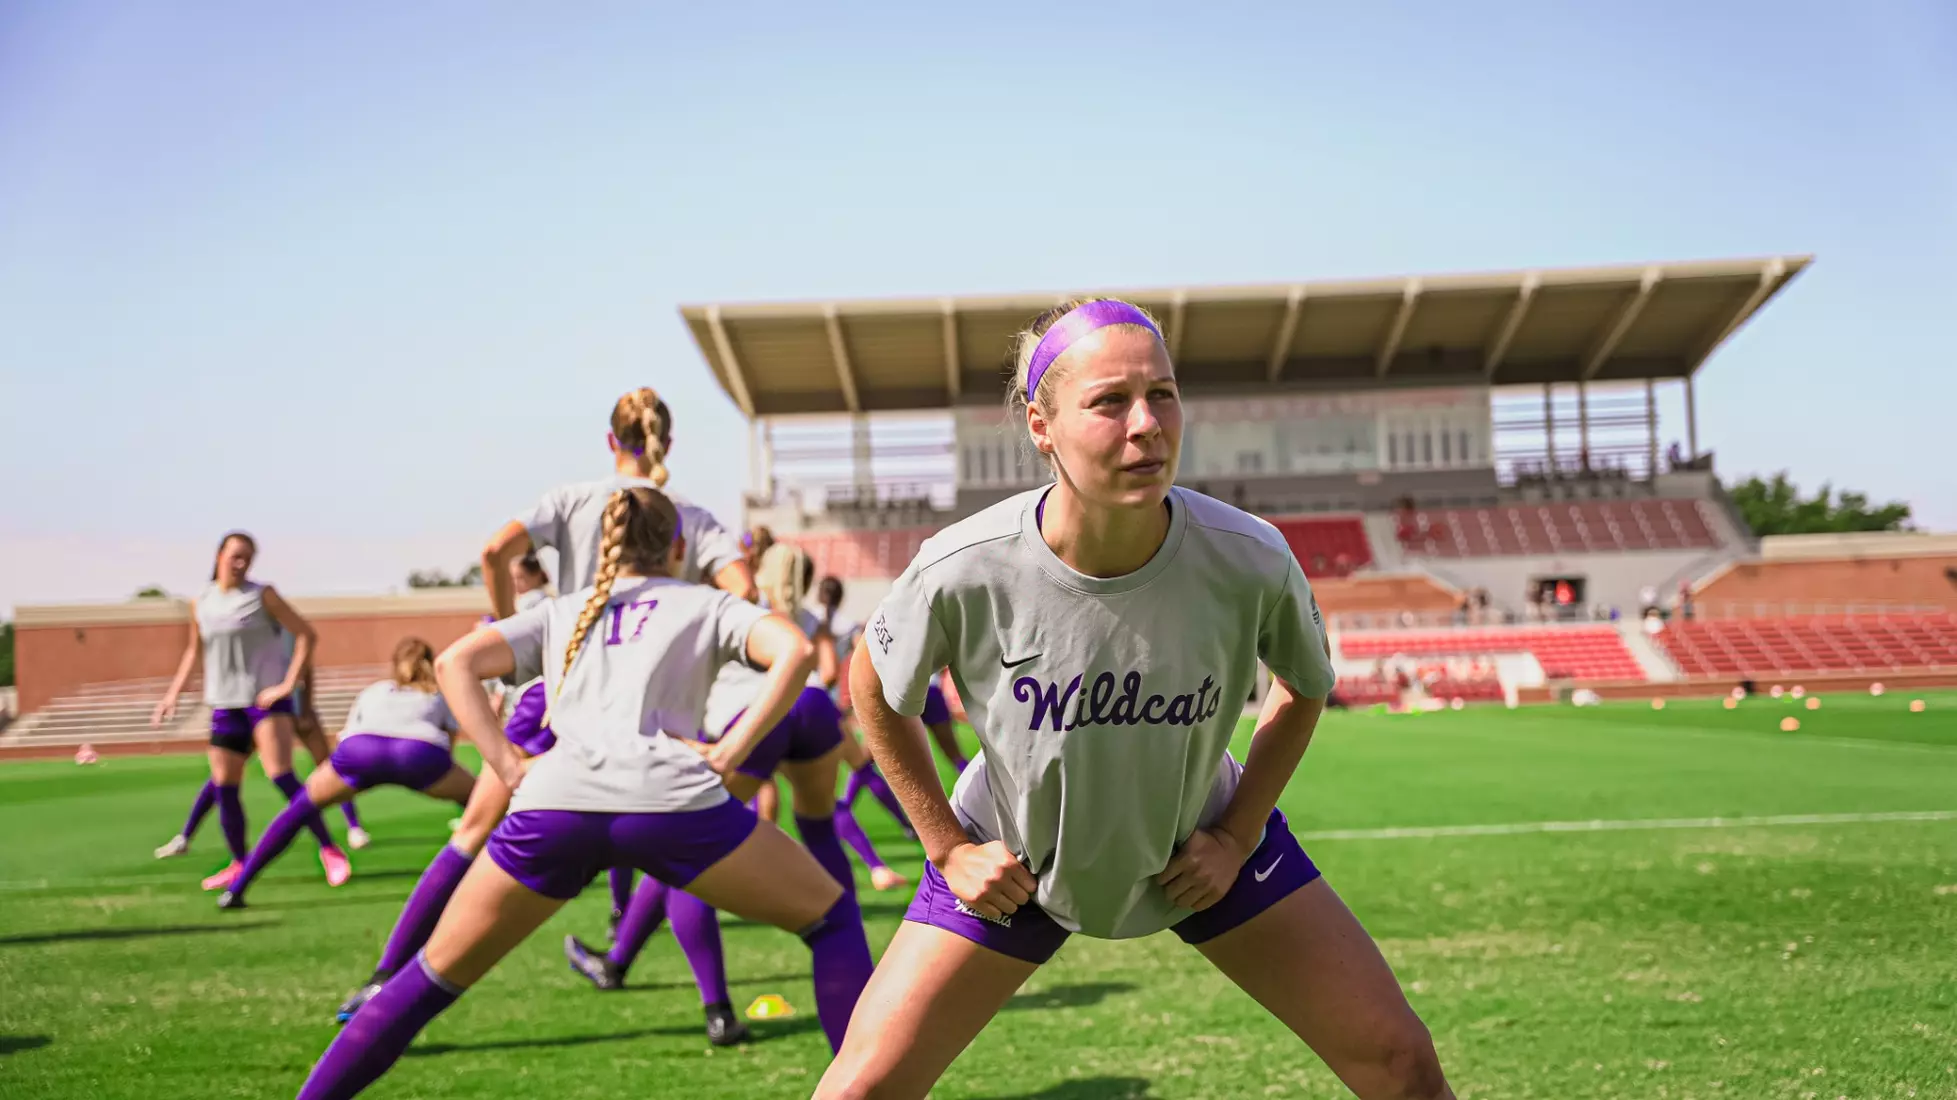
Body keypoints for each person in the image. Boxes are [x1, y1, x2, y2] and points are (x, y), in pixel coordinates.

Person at [813, 299, 1451, 1099]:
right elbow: (871, 684)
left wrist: (1238, 833)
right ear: (1041, 426)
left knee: (1399, 1061)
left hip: (1199, 851)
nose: (1146, 423)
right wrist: (945, 846)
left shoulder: (1247, 555)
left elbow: (1303, 685)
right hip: (1014, 861)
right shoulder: (964, 565)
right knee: (859, 1091)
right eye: (1110, 401)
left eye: (1163, 393)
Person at [292, 487, 873, 1099]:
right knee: (831, 918)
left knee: (429, 978)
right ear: (679, 548)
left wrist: (507, 766)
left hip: (553, 804)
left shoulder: (563, 610)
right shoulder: (705, 603)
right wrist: (730, 750)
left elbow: (455, 663)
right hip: (671, 802)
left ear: (605, 546)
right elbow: (798, 651)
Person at [334, 386, 754, 1024]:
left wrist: (511, 630)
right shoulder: (689, 513)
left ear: (612, 442)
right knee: (680, 846)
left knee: (473, 834)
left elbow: (492, 551)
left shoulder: (573, 498)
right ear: (668, 443)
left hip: (559, 691)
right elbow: (744, 587)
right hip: (646, 703)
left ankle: (383, 980)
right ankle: (718, 1009)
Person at [563, 543, 906, 1045]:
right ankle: (853, 964)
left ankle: (716, 1009)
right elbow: (828, 671)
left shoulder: (716, 610)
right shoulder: (806, 615)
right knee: (819, 830)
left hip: (753, 718)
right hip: (811, 706)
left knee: (684, 854)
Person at [150, 532, 351, 891]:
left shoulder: (263, 595)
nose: (241, 564)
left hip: (265, 702)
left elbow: (306, 635)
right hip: (224, 703)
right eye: (236, 556)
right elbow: (193, 651)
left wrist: (288, 685)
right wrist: (172, 695)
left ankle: (330, 849)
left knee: (281, 775)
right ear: (219, 556)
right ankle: (239, 863)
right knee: (225, 786)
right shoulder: (202, 602)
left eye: (247, 558)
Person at [217, 639, 477, 907]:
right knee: (488, 802)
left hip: (359, 751)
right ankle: (495, 877)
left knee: (297, 811)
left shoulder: (374, 691)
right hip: (419, 755)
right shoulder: (438, 693)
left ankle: (237, 889)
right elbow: (448, 744)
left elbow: (346, 736)